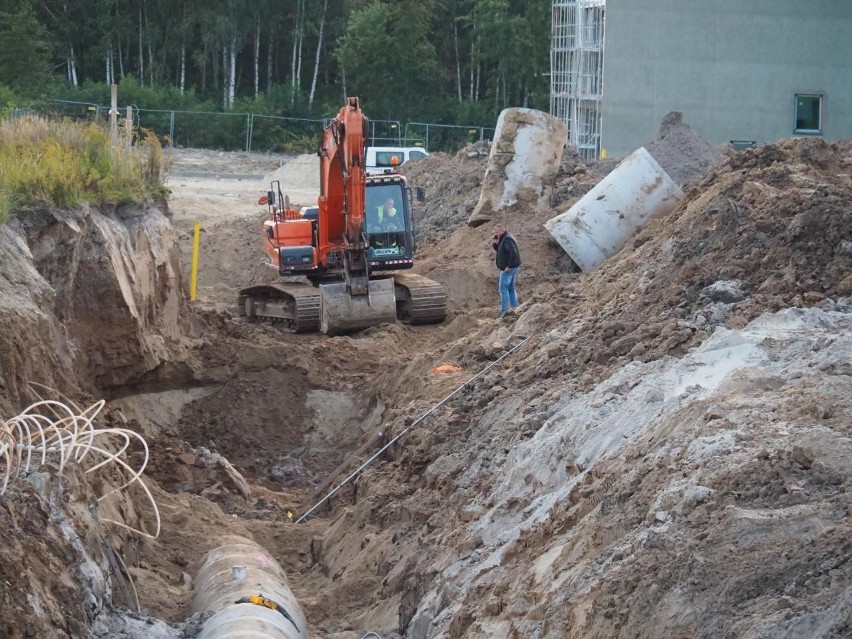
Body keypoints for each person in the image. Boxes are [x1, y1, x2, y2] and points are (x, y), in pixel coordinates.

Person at [492, 223, 521, 317]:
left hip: (508, 269)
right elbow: (501, 251)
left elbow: (513, 252)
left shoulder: (507, 239)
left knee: (503, 289)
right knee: (511, 288)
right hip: (512, 267)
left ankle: (505, 311)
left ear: (502, 231)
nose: (495, 233)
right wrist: (494, 244)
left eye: (496, 231)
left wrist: (509, 265)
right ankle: (516, 308)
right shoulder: (504, 238)